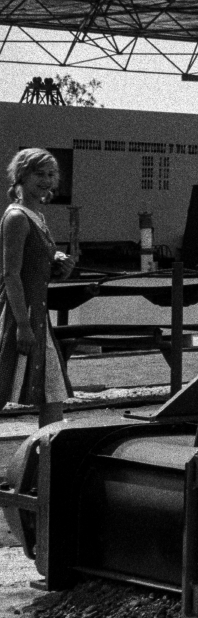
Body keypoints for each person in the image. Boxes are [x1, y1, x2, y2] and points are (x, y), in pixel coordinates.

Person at [0, 149, 77, 425]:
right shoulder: (17, 218)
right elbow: (11, 274)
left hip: (38, 316)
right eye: (39, 174)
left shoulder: (37, 216)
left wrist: (57, 263)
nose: (46, 180)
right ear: (22, 175)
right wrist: (22, 324)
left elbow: (35, 266)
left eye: (50, 174)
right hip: (17, 315)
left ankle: (46, 462)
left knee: (52, 391)